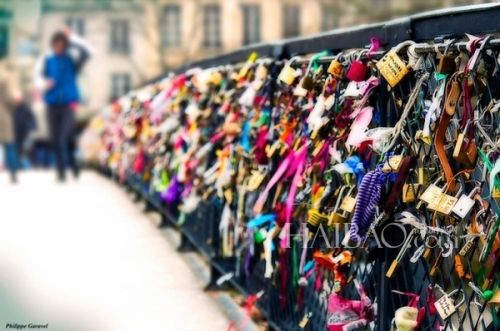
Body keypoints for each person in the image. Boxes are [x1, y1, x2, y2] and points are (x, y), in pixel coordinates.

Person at [35, 28, 92, 181]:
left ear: (66, 45)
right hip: (52, 104)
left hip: (69, 104)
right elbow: (38, 80)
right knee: (55, 139)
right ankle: (62, 171)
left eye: (62, 44)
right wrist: (44, 84)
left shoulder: (72, 61)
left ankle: (71, 165)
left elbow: (87, 52)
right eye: (56, 44)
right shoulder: (47, 61)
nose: (59, 47)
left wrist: (72, 37)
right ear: (53, 45)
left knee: (64, 137)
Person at [0, 60, 19, 183]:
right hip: (3, 113)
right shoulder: (5, 75)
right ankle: (13, 173)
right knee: (9, 144)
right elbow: (10, 98)